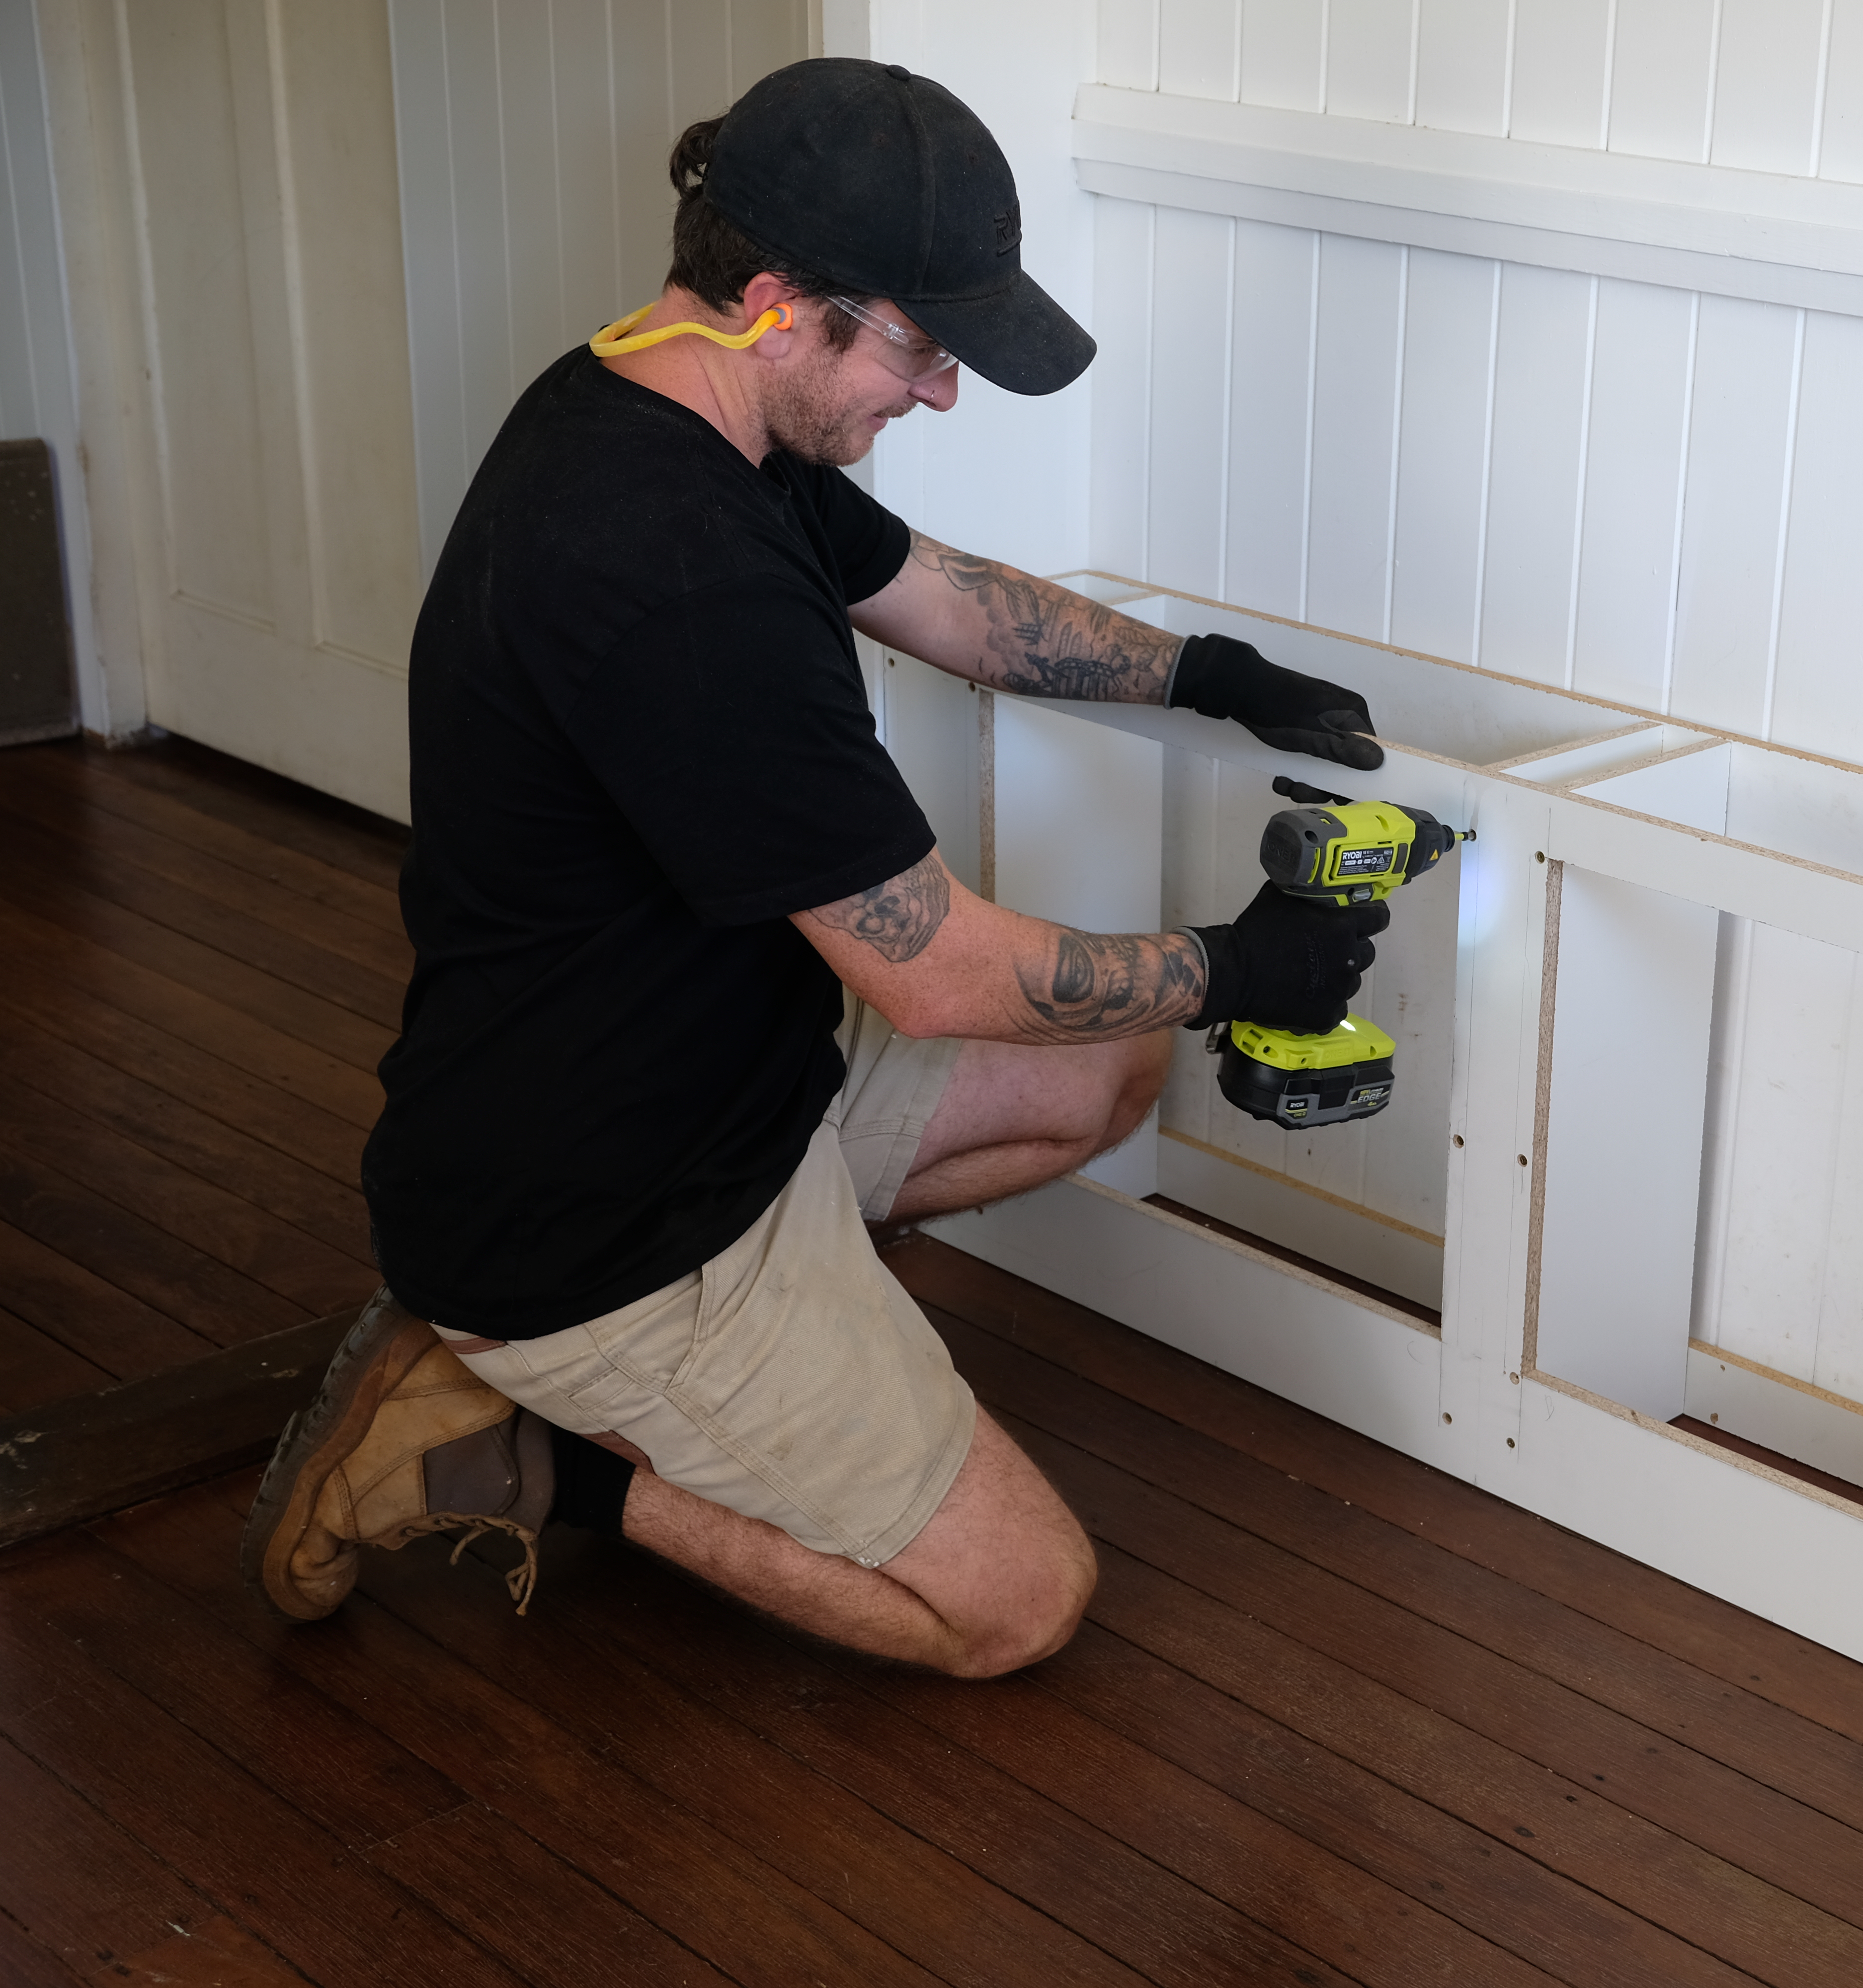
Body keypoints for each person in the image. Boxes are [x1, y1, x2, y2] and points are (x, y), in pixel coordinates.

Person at [239, 57, 1391, 1678]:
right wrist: (1235, 968)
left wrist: (1211, 670)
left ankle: (765, 1378)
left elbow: (950, 601)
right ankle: (499, 1447)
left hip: (711, 1094)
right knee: (1015, 1608)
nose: (940, 396)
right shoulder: (676, 582)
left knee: (1104, 1063)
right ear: (780, 302)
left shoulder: (676, 403)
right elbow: (936, 974)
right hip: (601, 1230)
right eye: (919, 349)